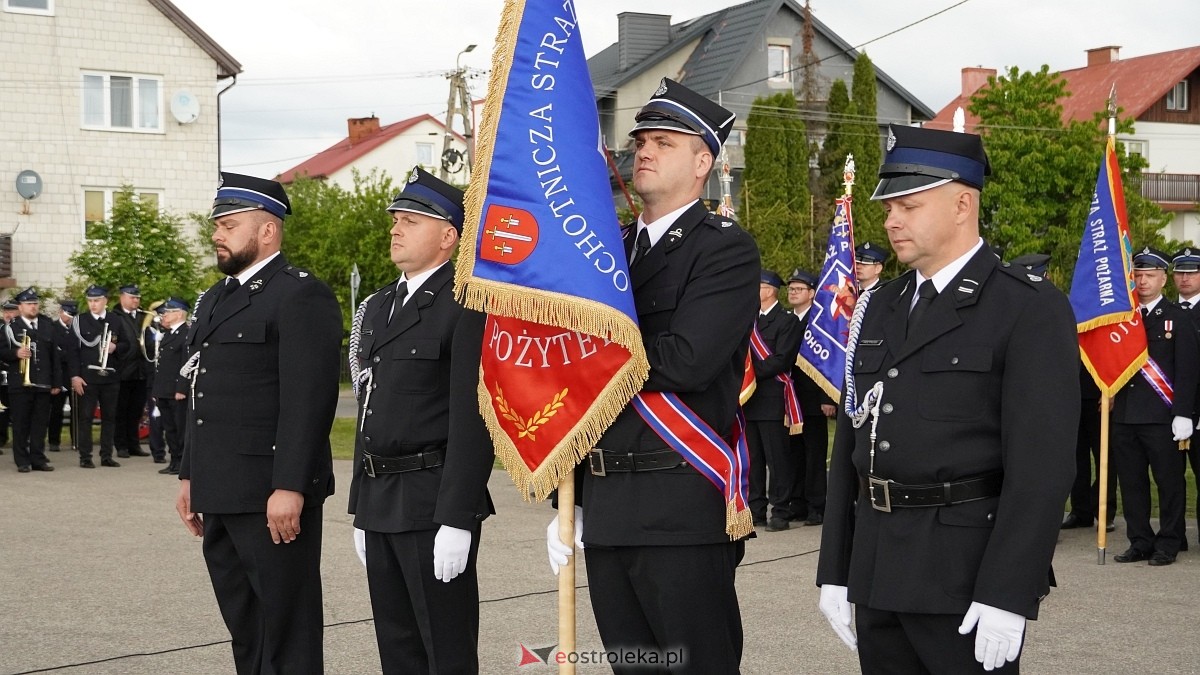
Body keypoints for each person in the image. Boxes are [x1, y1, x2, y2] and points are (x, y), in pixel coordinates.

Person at [816, 124, 1079, 673]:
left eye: (908, 206)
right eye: (889, 207)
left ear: (963, 204)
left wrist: (1010, 590)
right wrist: (836, 569)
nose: (891, 220)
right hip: (878, 565)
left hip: (964, 574)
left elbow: (1042, 468)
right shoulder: (880, 306)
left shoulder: (1025, 309)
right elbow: (851, 448)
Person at [544, 78, 759, 673]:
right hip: (609, 503)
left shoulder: (723, 250)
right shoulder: (605, 252)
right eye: (640, 140)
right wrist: (576, 499)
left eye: (662, 141)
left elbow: (689, 358)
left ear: (702, 161)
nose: (642, 150)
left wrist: (592, 355)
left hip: (680, 501)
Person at [175, 172, 342, 674]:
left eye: (228, 224)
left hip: (270, 493)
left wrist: (289, 485)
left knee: (287, 628)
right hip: (219, 490)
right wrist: (189, 476)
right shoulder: (215, 299)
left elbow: (307, 401)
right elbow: (202, 394)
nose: (216, 234)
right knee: (245, 628)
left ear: (267, 230)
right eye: (216, 225)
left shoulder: (300, 296)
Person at [346, 166, 495, 673]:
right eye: (396, 219)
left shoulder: (466, 302)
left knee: (445, 650)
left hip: (432, 501)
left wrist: (457, 518)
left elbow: (473, 421)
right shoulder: (381, 305)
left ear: (448, 237)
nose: (395, 228)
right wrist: (359, 507)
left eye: (410, 220)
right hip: (381, 501)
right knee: (398, 648)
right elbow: (370, 408)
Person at [1109, 247, 1197, 567]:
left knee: (1169, 483)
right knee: (1131, 484)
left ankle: (1169, 542)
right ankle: (1140, 540)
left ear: (1163, 278)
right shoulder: (1123, 319)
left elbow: (1187, 371)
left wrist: (1184, 412)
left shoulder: (1178, 318)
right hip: (1126, 415)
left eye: (1149, 276)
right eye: (1138, 275)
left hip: (1162, 417)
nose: (1143, 281)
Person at [745, 269, 803, 531]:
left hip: (772, 398)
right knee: (753, 459)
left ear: (769, 290)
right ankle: (755, 509)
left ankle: (780, 510)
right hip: (749, 399)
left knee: (777, 459)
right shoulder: (748, 320)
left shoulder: (786, 321)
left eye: (757, 286)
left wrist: (749, 374)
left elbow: (782, 359)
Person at [785, 268, 836, 526]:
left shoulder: (820, 323)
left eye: (799, 289)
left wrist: (828, 397)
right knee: (793, 454)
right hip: (788, 399)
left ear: (812, 293)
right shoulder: (785, 320)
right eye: (791, 289)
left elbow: (829, 362)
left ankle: (817, 505)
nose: (793, 293)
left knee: (815, 454)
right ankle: (798, 502)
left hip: (814, 399)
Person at [67, 285, 133, 469]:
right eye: (90, 301)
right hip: (87, 377)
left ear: (106, 301)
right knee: (86, 418)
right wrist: (74, 376)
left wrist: (115, 348)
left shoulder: (115, 320)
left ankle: (106, 455)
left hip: (110, 377)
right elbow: (72, 352)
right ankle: (85, 456)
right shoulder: (80, 321)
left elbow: (127, 345)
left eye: (96, 300)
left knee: (110, 417)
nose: (93, 304)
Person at [1, 288, 62, 472]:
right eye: (29, 304)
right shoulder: (10, 328)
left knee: (39, 423)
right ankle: (22, 461)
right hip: (20, 383)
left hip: (42, 382)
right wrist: (16, 353)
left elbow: (54, 357)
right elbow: (1, 351)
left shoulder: (47, 325)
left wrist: (56, 382)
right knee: (21, 423)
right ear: (20, 307)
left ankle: (38, 458)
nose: (33, 307)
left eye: (35, 303)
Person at [1171, 246, 1200, 548]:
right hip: (1169, 411)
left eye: (1191, 273)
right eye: (1180, 272)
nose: (1185, 278)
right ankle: (1174, 536)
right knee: (1171, 481)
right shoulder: (1166, 312)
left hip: (1199, 411)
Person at [111, 284, 150, 459]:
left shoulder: (143, 317)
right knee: (121, 410)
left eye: (137, 298)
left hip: (140, 371)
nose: (136, 300)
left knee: (136, 411)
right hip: (122, 371)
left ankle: (134, 444)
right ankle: (121, 445)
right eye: (132, 297)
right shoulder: (114, 317)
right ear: (122, 298)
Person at [151, 298, 190, 476]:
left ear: (179, 313)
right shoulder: (169, 334)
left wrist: (182, 388)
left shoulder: (186, 334)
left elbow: (186, 364)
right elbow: (161, 366)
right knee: (169, 428)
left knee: (180, 427)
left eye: (168, 312)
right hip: (165, 390)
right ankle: (174, 459)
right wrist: (156, 390)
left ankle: (182, 461)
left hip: (177, 391)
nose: (164, 315)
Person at [46, 300, 78, 453]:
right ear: (61, 312)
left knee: (76, 411)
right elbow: (53, 355)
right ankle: (54, 441)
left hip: (74, 376)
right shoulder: (52, 328)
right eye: (68, 314)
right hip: (59, 376)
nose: (71, 318)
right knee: (56, 411)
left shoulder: (76, 328)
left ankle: (76, 440)